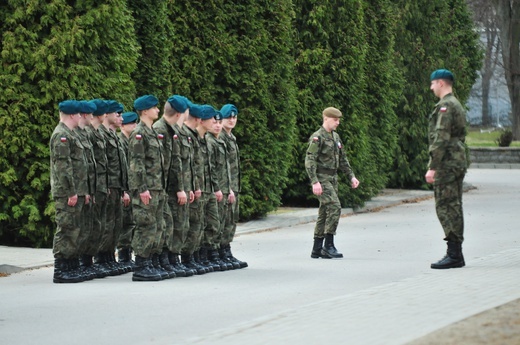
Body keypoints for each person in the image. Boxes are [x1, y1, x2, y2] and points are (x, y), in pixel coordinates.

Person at [305, 107, 360, 259]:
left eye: (339, 120)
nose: (338, 123)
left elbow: (343, 159)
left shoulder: (335, 137)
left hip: (332, 178)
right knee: (335, 207)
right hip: (322, 179)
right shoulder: (318, 137)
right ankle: (328, 245)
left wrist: (351, 176)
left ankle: (317, 248)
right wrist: (315, 181)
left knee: (324, 211)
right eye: (335, 120)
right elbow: (310, 160)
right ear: (326, 119)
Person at [426, 69, 468, 269]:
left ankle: (454, 254)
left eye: (433, 83)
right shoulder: (455, 104)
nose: (431, 87)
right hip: (456, 160)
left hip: (447, 163)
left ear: (441, 83)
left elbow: (441, 137)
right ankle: (455, 252)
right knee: (454, 205)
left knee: (445, 205)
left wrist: (432, 167)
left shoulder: (446, 106)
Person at [127, 95, 168, 281]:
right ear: (145, 111)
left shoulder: (151, 132)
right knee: (145, 225)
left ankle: (149, 262)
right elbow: (137, 164)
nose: (158, 111)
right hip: (146, 189)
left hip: (157, 188)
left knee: (157, 226)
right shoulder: (139, 133)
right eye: (154, 108)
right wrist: (142, 188)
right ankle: (141, 265)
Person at [50, 100, 89, 283]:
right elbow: (63, 168)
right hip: (67, 192)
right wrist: (71, 191)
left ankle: (71, 265)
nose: (81, 117)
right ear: (72, 115)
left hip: (76, 191)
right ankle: (60, 269)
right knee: (66, 228)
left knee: (74, 228)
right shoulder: (61, 136)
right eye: (79, 114)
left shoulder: (70, 134)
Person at [219, 104, 247, 268]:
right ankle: (220, 252)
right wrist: (227, 187)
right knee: (223, 220)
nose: (231, 120)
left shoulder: (231, 137)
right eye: (228, 117)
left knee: (231, 220)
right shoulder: (220, 137)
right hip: (225, 186)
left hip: (233, 186)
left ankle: (226, 250)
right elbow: (222, 167)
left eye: (234, 117)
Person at [117, 112, 138, 270]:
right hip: (124, 188)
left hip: (132, 188)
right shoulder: (120, 141)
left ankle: (128, 253)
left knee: (131, 221)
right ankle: (123, 255)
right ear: (123, 125)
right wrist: (124, 190)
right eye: (132, 124)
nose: (135, 126)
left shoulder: (132, 141)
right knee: (125, 222)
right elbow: (121, 169)